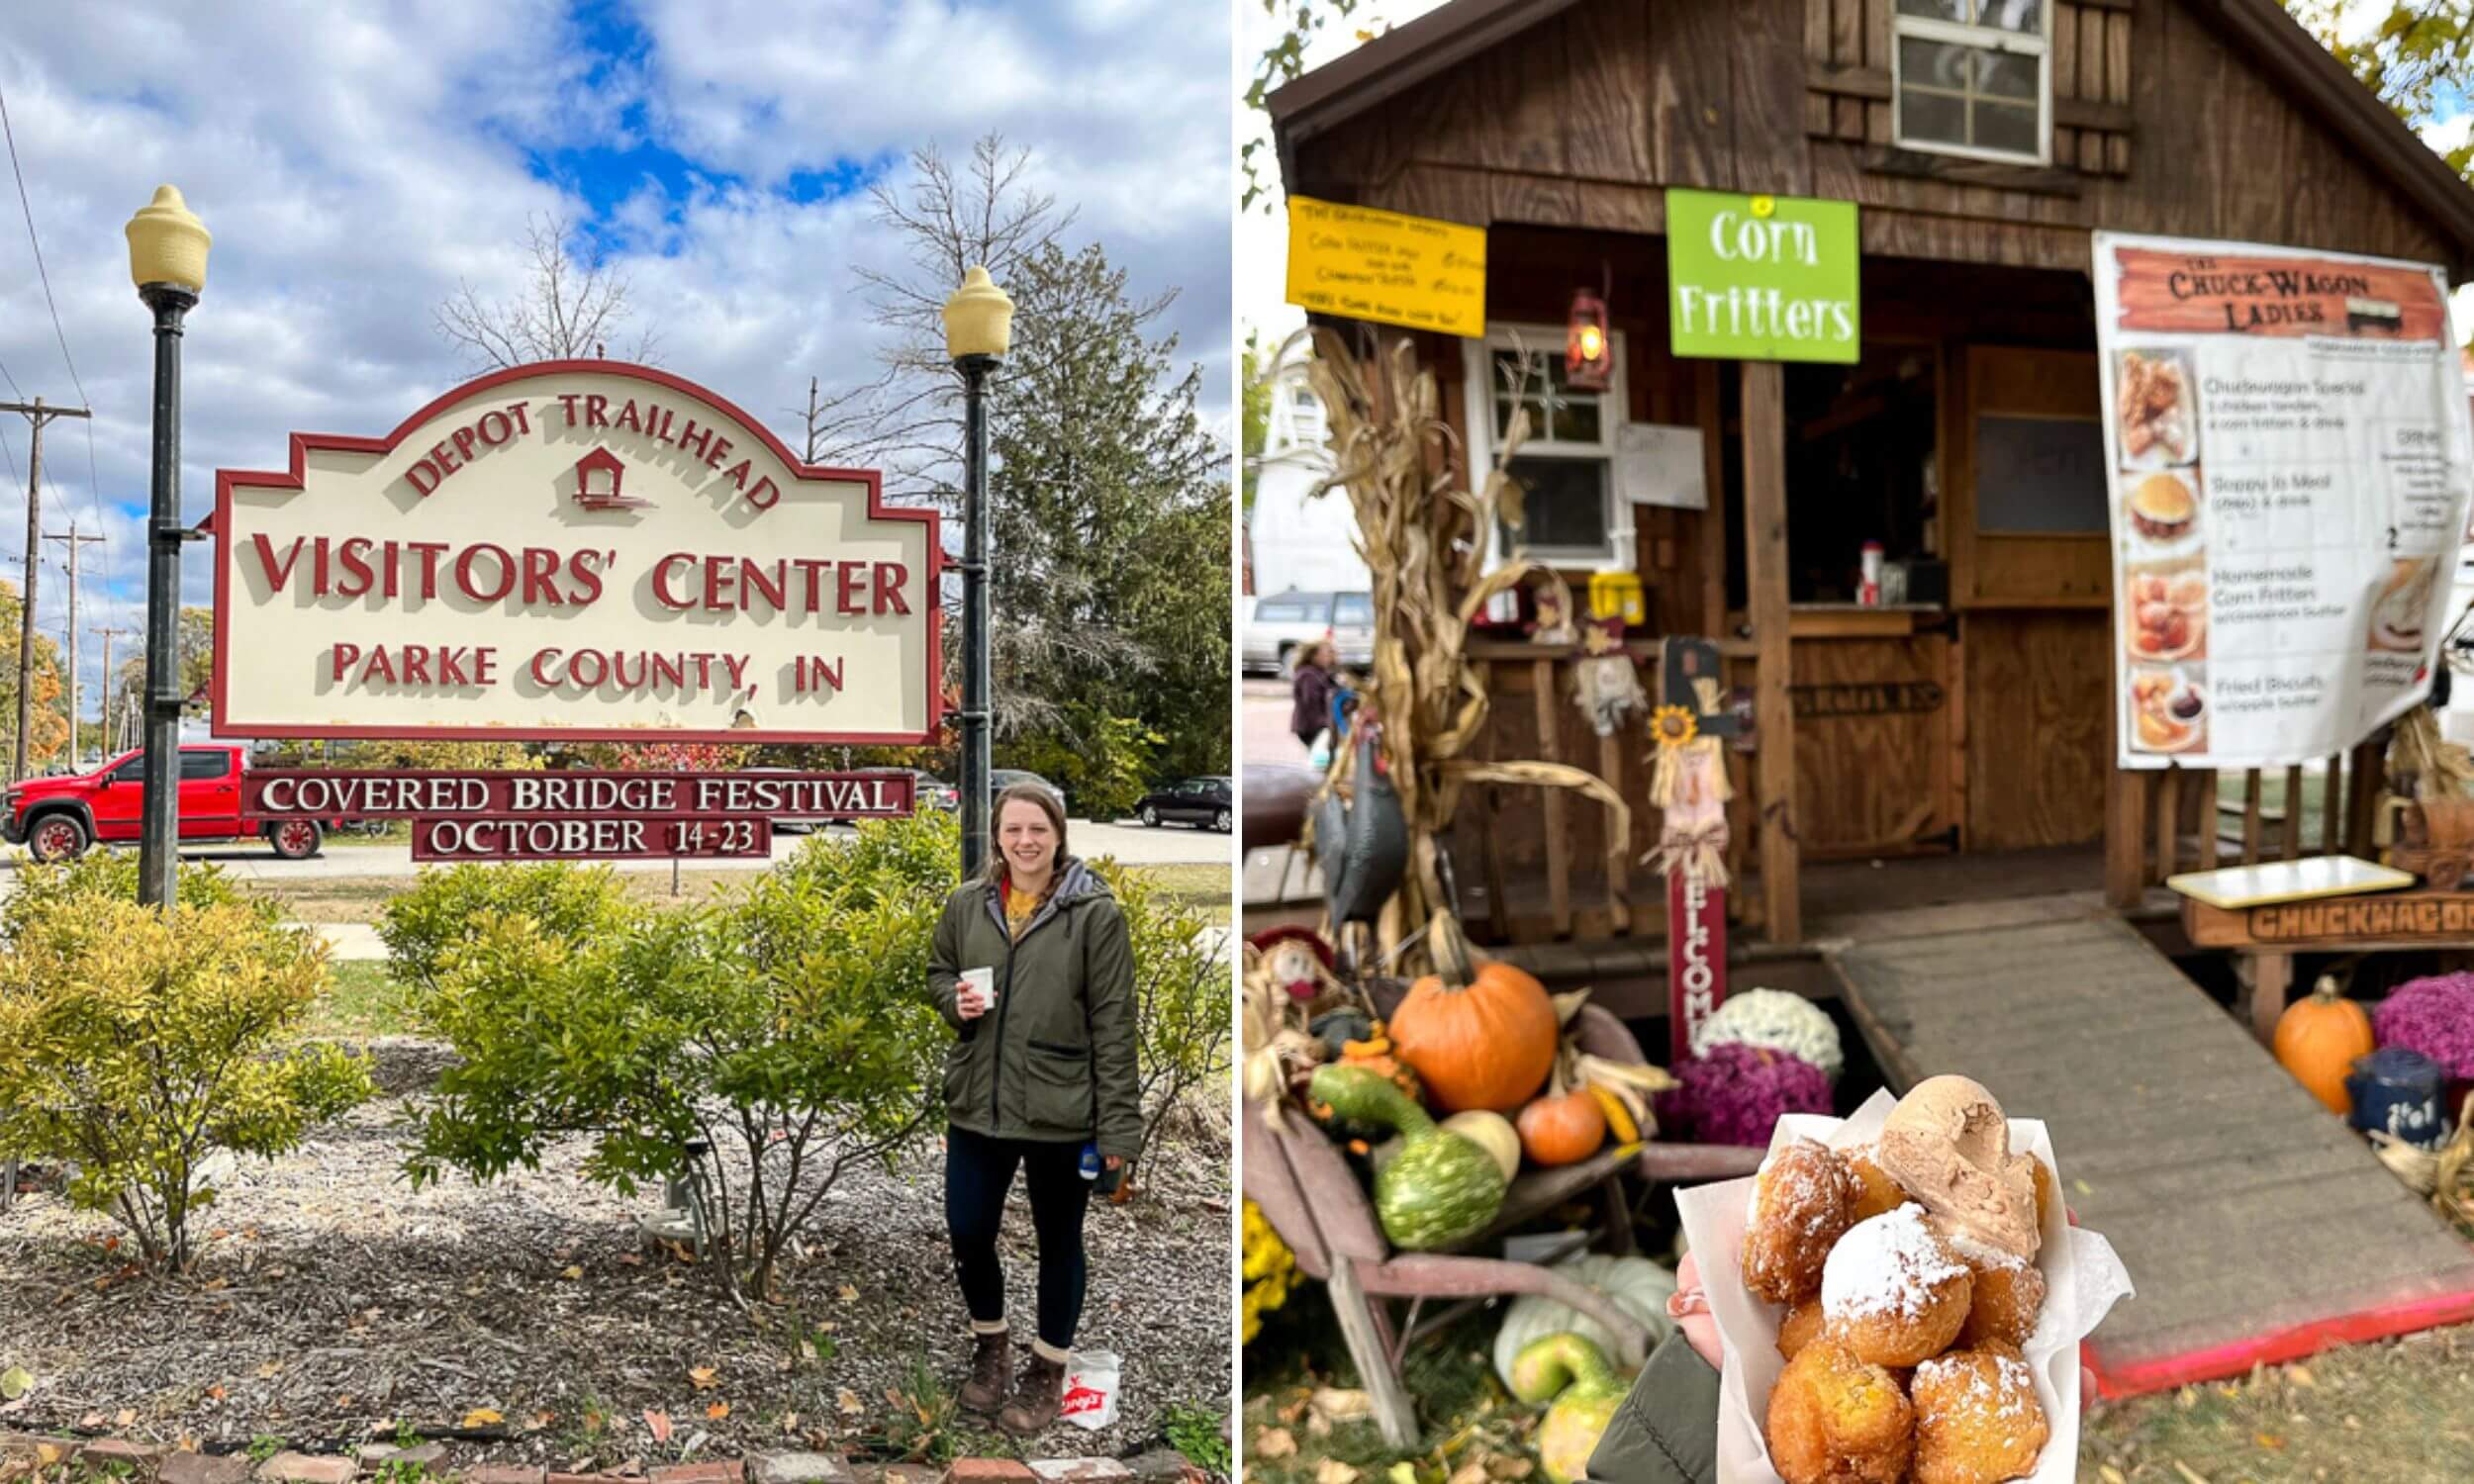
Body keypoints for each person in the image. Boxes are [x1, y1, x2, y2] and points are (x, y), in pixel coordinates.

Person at [928, 783, 1141, 1436]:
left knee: (1058, 1241)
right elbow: (939, 972)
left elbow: (1114, 1023)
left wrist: (1118, 1131)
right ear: (997, 836)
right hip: (979, 1103)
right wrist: (952, 1002)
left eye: (1038, 830)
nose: (1025, 841)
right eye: (1014, 829)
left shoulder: (1094, 913)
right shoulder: (968, 904)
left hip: (1061, 1106)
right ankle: (990, 1346)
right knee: (967, 1229)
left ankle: (1048, 1368)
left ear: (1058, 835)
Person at [1290, 638, 1338, 756]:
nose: (1330, 657)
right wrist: (1325, 724)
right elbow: (1310, 702)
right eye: (1327, 654)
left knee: (1326, 758)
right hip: (1311, 727)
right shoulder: (1308, 675)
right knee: (1323, 758)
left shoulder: (1321, 672)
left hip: (1320, 725)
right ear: (1314, 656)